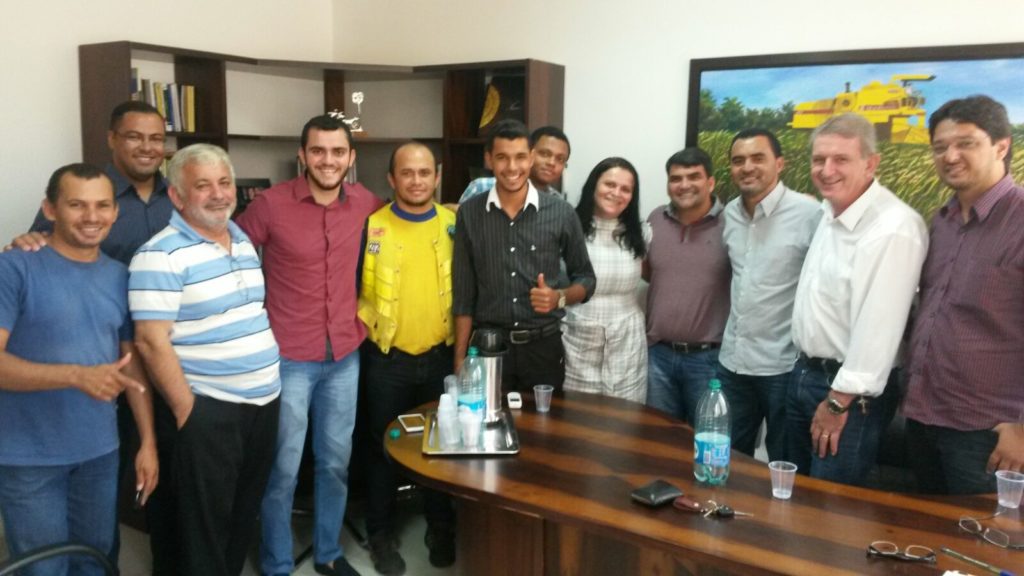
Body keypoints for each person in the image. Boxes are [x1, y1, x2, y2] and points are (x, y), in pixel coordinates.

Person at [4, 101, 176, 572]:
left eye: (101, 206)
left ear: (114, 212)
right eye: (76, 205)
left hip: (101, 448)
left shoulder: (119, 275)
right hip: (29, 455)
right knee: (44, 567)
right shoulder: (15, 267)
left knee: (98, 559)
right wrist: (77, 375)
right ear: (50, 210)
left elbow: (130, 362)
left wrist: (147, 441)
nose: (91, 216)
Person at [235, 114, 381, 576]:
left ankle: (328, 553)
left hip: (344, 356)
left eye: (338, 152)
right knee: (282, 469)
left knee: (335, 463)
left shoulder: (366, 203)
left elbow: (405, 225)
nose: (328, 160)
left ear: (351, 158)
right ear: (302, 155)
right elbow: (229, 250)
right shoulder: (270, 205)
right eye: (318, 151)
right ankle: (277, 562)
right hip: (287, 357)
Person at [131, 144, 281, 576]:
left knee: (240, 516)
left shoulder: (242, 240)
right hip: (209, 410)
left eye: (224, 183)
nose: (218, 194)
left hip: (262, 406)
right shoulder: (159, 254)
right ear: (177, 196)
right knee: (203, 529)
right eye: (203, 185)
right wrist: (187, 411)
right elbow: (150, 341)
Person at [788, 113, 928, 487]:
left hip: (847, 395)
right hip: (805, 375)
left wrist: (837, 402)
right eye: (819, 159)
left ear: (871, 163)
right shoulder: (829, 212)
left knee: (830, 503)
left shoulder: (894, 227)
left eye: (841, 159)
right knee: (792, 495)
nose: (826, 170)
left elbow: (879, 330)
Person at [903, 95, 1024, 493]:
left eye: (965, 143)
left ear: (1001, 147)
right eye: (940, 147)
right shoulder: (942, 222)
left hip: (989, 433)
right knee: (925, 527)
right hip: (924, 417)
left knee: (987, 533)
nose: (950, 156)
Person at [358, 142, 457, 575]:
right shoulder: (371, 226)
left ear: (437, 177)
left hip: (440, 359)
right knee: (383, 448)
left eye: (424, 172)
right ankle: (380, 535)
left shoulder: (454, 225)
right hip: (386, 361)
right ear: (391, 179)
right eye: (407, 173)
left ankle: (441, 527)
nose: (416, 181)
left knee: (440, 447)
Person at [452, 119, 595, 391]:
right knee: (486, 418)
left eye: (520, 157)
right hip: (488, 349)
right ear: (489, 159)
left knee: (544, 420)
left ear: (531, 158)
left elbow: (587, 279)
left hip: (543, 349)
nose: (512, 167)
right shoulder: (469, 213)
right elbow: (463, 295)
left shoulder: (561, 212)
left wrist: (559, 297)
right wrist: (460, 359)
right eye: (502, 157)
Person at [718, 129, 821, 461]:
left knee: (784, 463)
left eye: (757, 158)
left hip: (783, 366)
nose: (747, 167)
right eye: (738, 160)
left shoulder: (810, 214)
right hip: (733, 363)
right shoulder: (729, 214)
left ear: (779, 164)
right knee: (727, 459)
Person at [644, 148, 731, 425]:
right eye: (676, 178)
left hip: (708, 361)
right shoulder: (655, 219)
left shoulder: (732, 223)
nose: (684, 185)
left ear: (710, 182)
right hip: (658, 356)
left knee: (707, 436)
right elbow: (649, 272)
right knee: (659, 437)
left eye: (693, 177)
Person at [562, 157, 649, 402]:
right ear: (593, 186)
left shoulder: (642, 233)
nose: (616, 193)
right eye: (609, 184)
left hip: (628, 345)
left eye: (625, 189)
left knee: (626, 418)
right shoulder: (567, 227)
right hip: (576, 343)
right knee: (575, 417)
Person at [458, 125, 571, 204]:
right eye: (545, 154)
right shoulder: (482, 187)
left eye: (560, 159)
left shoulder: (559, 203)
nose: (552, 163)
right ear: (530, 155)